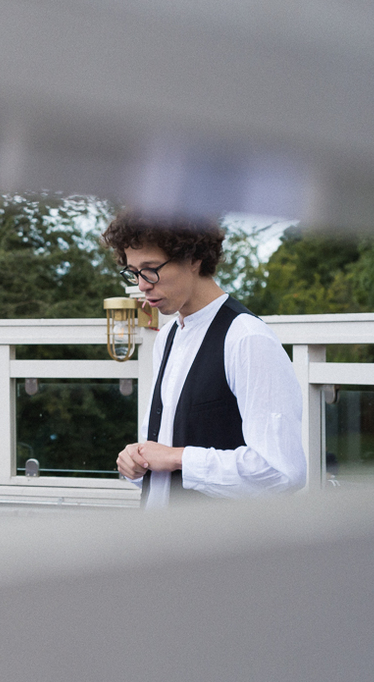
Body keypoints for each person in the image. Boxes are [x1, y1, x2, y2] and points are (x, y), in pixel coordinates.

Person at [102, 210, 306, 508]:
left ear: (194, 259)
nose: (142, 284)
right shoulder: (167, 336)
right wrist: (136, 460)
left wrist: (177, 457)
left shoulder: (247, 338)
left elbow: (281, 472)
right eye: (133, 272)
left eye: (150, 269)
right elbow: (162, 452)